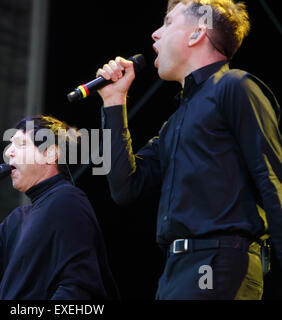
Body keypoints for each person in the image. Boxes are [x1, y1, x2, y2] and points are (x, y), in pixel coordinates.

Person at [96, 0, 282, 299]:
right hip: (176, 269)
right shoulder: (175, 124)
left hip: (220, 263)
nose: (155, 34)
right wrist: (113, 102)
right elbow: (124, 188)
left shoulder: (235, 87)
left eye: (168, 23)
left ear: (197, 34)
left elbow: (272, 182)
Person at [0, 115, 119, 299]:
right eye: (10, 144)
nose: (9, 152)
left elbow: (77, 287)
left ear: (50, 154)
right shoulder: (18, 218)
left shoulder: (67, 200)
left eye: (21, 144)